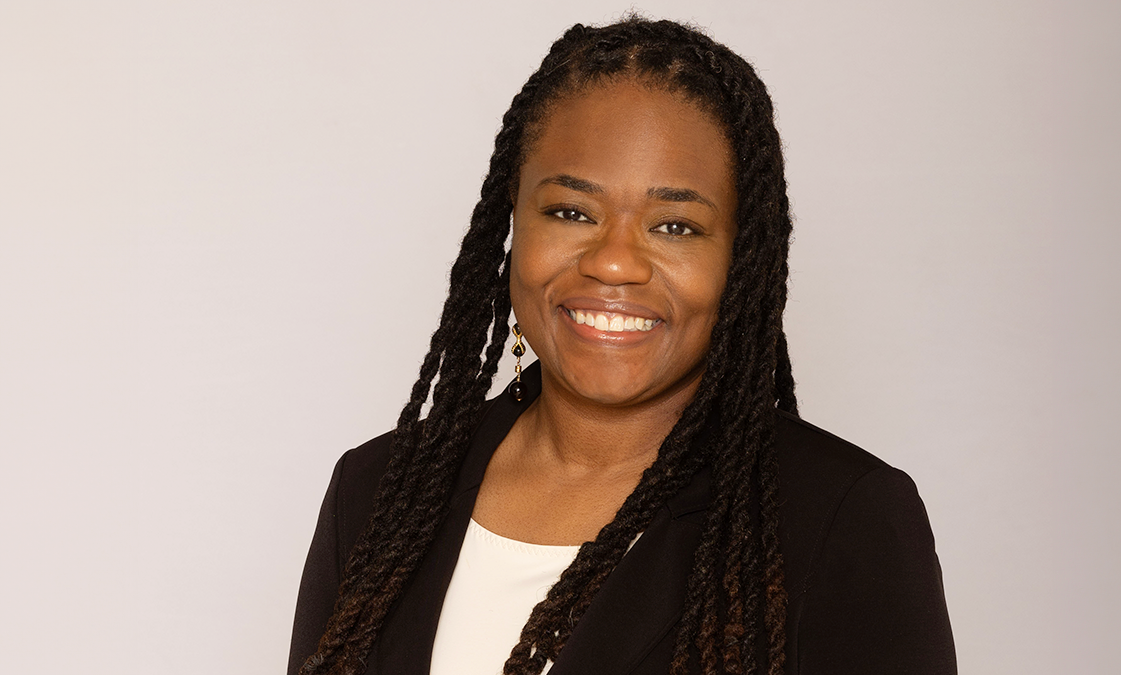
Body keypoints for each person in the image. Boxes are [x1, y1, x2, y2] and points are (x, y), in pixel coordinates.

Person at [288, 16, 955, 675]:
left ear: (742, 259)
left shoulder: (839, 519)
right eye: (571, 212)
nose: (613, 263)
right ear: (511, 222)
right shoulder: (376, 496)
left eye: (676, 225)